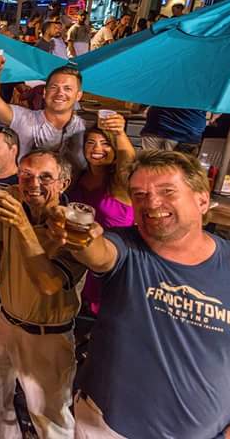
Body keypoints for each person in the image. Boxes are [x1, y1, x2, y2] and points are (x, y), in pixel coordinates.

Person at [48, 150, 230, 438]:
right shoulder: (125, 247)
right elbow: (98, 252)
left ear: (203, 199)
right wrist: (79, 236)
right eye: (140, 195)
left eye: (167, 191)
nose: (152, 203)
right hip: (107, 428)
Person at [0, 150, 86, 439]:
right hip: (4, 320)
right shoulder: (14, 199)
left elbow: (49, 284)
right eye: (26, 174)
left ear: (64, 182)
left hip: (47, 335)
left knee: (50, 419)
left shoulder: (73, 229)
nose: (33, 183)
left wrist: (22, 226)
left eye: (45, 177)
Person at [68, 118, 135, 316]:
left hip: (112, 257)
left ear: (115, 152)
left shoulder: (121, 183)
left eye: (105, 143)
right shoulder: (78, 176)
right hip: (79, 258)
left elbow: (129, 162)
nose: (97, 148)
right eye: (91, 142)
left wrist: (120, 134)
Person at [0, 56, 87, 174]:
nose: (60, 93)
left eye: (67, 88)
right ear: (45, 93)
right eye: (54, 87)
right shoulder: (24, 118)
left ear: (78, 96)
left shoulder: (86, 127)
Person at [140, 107, 212, 155]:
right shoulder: (208, 85)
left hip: (157, 125)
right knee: (180, 172)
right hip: (188, 130)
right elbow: (217, 109)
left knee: (148, 168)